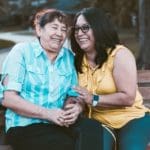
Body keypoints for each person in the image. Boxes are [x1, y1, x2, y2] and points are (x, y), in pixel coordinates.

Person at [0, 8, 103, 150]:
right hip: (25, 125)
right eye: (54, 27)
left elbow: (72, 95)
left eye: (63, 29)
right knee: (63, 144)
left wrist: (75, 107)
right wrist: (48, 114)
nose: (59, 33)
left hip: (59, 123)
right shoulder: (22, 52)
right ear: (39, 30)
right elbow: (8, 98)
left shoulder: (69, 58)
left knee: (92, 128)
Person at [70, 7, 150, 150]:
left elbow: (128, 98)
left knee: (132, 147)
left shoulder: (119, 54)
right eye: (76, 29)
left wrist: (93, 99)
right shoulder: (77, 61)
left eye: (85, 28)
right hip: (100, 122)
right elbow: (81, 96)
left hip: (132, 118)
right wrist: (77, 106)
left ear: (99, 28)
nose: (79, 33)